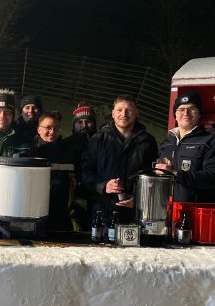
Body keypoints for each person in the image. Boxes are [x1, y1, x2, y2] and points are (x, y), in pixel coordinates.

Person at [81, 94, 158, 224]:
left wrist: (138, 199)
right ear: (112, 113)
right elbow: (84, 172)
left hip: (137, 214)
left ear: (137, 113)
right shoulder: (98, 139)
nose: (124, 114)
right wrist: (103, 185)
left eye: (129, 110)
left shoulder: (148, 142)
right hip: (103, 213)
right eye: (119, 110)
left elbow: (153, 178)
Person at [156, 91, 215, 202]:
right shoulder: (167, 142)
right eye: (181, 109)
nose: (186, 113)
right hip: (163, 210)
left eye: (192, 109)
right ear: (175, 115)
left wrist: (178, 174)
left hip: (194, 212)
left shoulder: (210, 140)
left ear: (199, 114)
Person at [33, 111, 74, 229]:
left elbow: (72, 183)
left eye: (56, 128)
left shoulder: (67, 152)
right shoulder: (30, 151)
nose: (52, 132)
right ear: (39, 130)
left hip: (60, 214)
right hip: (35, 212)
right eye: (48, 128)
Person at [63, 101, 98, 230]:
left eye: (88, 121)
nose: (84, 125)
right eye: (79, 122)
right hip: (72, 193)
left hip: (96, 192)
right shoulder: (66, 144)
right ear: (74, 124)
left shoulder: (101, 143)